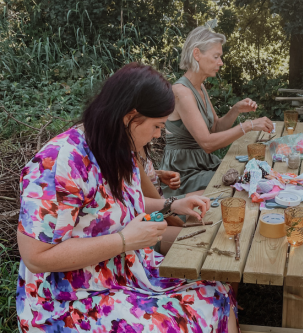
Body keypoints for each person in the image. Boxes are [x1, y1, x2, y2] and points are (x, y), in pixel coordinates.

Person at [16, 63, 239, 332]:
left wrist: (172, 205)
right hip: (70, 299)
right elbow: (36, 257)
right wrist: (124, 241)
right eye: (157, 126)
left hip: (125, 272)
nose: (159, 135)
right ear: (130, 117)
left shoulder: (117, 148)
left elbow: (120, 205)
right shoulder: (58, 163)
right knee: (178, 323)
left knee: (216, 291)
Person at [160, 26, 274, 197]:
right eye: (216, 57)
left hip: (202, 165)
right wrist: (249, 125)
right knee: (244, 184)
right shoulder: (182, 91)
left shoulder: (200, 87)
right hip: (184, 174)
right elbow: (207, 144)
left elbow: (215, 128)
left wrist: (235, 110)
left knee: (255, 173)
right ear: (197, 54)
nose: (220, 62)